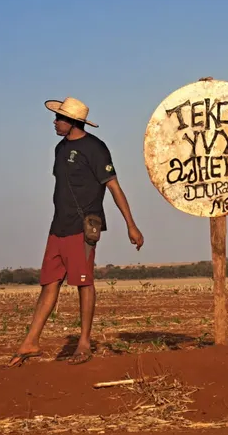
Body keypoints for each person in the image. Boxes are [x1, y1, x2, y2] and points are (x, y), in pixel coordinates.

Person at [9, 96, 144, 367]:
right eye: (56, 118)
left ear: (73, 122)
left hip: (82, 227)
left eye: (59, 118)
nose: (55, 122)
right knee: (49, 284)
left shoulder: (96, 148)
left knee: (84, 283)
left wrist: (131, 224)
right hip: (58, 226)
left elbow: (114, 187)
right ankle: (31, 341)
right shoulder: (60, 149)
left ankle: (84, 342)